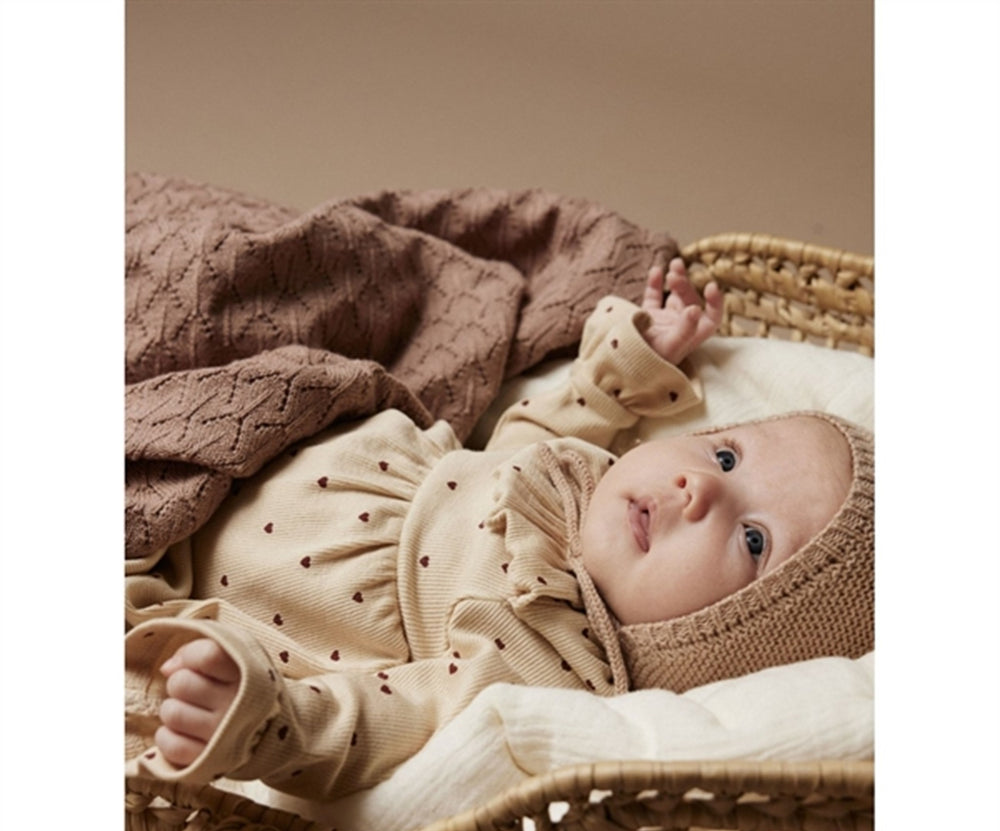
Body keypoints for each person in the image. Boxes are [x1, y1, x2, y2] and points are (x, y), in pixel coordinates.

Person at [125, 258, 874, 799]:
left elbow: (392, 719)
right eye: (726, 455)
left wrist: (260, 718)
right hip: (248, 437)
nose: (699, 487)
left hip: (202, 575)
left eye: (753, 540)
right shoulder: (585, 481)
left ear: (726, 639)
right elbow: (521, 438)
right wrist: (628, 369)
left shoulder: (549, 661)